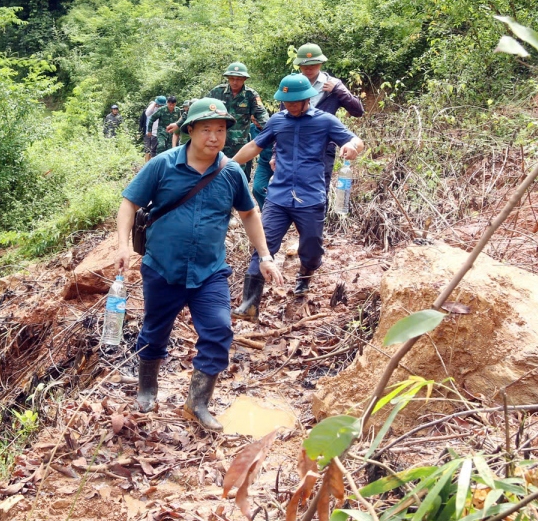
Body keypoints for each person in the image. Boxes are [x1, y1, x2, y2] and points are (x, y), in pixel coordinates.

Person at [117, 98, 280, 431]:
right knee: (154, 330)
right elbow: (129, 203)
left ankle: (198, 402)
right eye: (206, 129)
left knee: (219, 330)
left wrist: (264, 255)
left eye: (220, 130)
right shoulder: (162, 166)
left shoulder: (231, 172)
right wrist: (122, 245)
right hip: (163, 267)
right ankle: (147, 389)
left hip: (210, 272)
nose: (214, 137)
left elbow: (249, 213)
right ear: (190, 130)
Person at [230, 74, 364, 317]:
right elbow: (255, 146)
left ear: (307, 99)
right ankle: (249, 304)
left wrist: (352, 147)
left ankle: (305, 276)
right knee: (263, 246)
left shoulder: (326, 121)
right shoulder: (277, 121)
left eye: (295, 101)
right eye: (286, 101)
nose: (290, 106)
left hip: (310, 197)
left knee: (311, 249)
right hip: (278, 197)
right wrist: (228, 165)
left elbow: (355, 140)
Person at [294, 43, 364, 192]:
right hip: (295, 144)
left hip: (323, 146)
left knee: (319, 190)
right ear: (299, 65)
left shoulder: (333, 84)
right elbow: (282, 117)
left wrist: (338, 90)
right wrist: (275, 153)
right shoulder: (293, 84)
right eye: (304, 65)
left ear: (320, 63)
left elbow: (358, 111)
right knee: (293, 188)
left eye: (313, 64)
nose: (309, 68)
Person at [204, 63, 270, 180]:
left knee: (237, 176)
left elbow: (262, 115)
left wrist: (273, 131)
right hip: (217, 142)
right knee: (214, 175)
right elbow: (200, 108)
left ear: (244, 79)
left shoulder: (250, 95)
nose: (235, 82)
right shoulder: (217, 92)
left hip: (239, 146)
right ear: (228, 78)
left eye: (239, 79)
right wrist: (179, 123)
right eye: (232, 78)